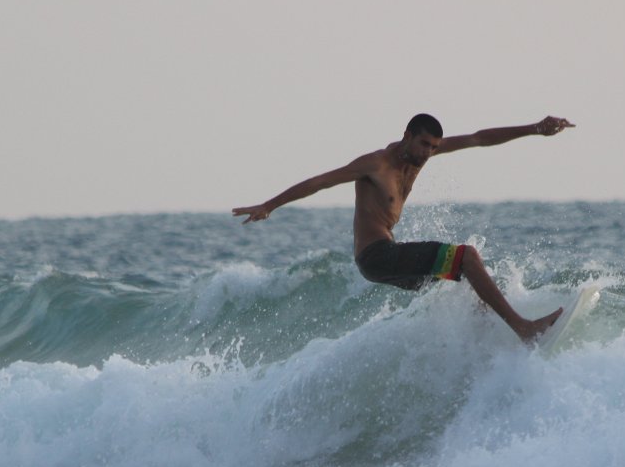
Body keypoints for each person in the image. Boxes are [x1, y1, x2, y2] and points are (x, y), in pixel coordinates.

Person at [232, 113, 575, 343]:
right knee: (467, 257)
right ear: (408, 136)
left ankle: (486, 342)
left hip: (384, 262)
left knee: (463, 280)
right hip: (376, 256)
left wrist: (534, 129)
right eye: (424, 144)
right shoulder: (375, 164)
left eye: (434, 147)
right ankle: (523, 328)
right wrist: (269, 206)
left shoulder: (420, 158)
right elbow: (319, 182)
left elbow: (478, 138)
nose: (428, 153)